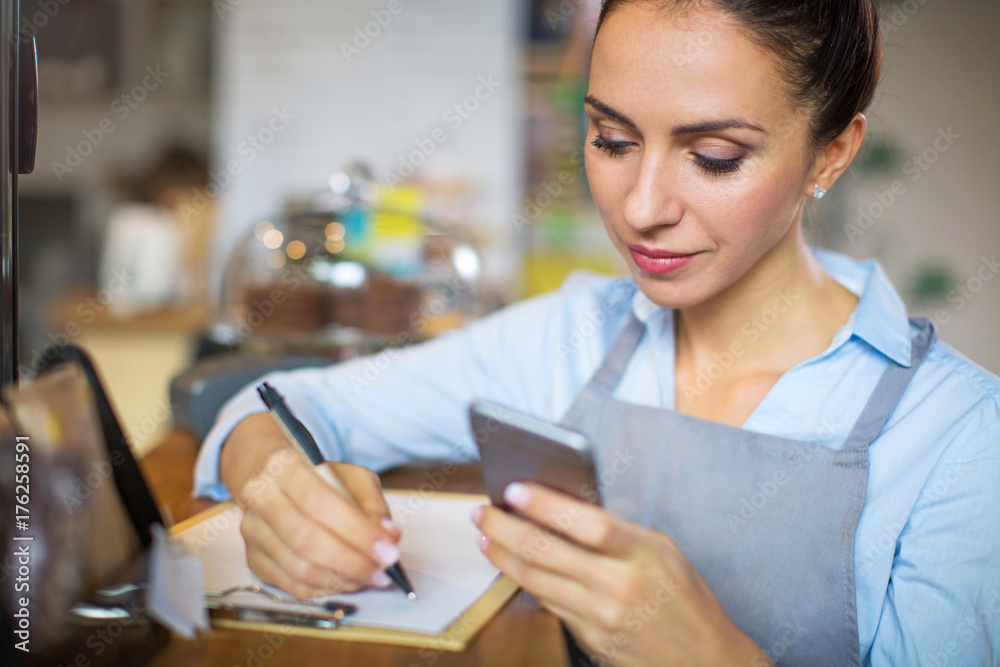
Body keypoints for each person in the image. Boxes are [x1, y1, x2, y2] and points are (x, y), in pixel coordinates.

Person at [194, 1, 1000, 664]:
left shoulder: (960, 439)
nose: (642, 206)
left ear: (831, 154)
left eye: (714, 156)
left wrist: (716, 654)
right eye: (612, 140)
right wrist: (273, 484)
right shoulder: (570, 338)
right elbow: (275, 407)